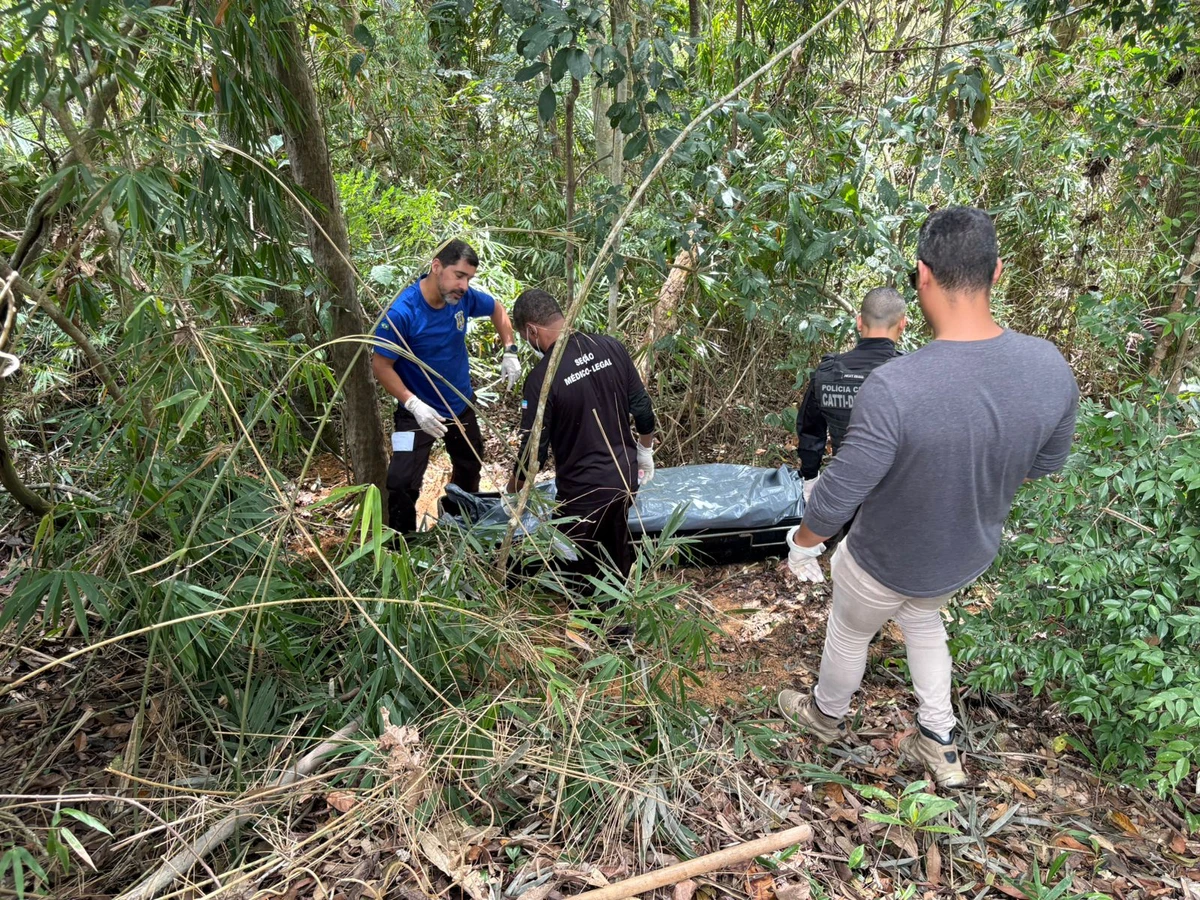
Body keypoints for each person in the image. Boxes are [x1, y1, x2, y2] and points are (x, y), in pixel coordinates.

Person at [778, 207, 1079, 788]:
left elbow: (843, 487)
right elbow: (1042, 466)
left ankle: (825, 716)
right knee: (923, 619)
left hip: (884, 557)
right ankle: (938, 738)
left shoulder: (898, 385)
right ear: (995, 273)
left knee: (850, 629)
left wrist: (803, 542)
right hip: (964, 553)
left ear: (922, 276)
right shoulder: (1049, 368)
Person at [506, 289, 656, 591]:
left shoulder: (540, 379)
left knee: (580, 565)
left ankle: (595, 628)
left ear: (532, 330)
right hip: (624, 476)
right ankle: (619, 622)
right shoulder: (610, 347)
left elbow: (534, 450)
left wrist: (514, 491)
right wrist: (644, 451)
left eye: (525, 337)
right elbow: (642, 408)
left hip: (583, 492)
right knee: (616, 548)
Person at [372, 240, 521, 533]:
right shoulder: (403, 312)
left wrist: (510, 349)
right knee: (401, 483)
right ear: (436, 267)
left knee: (469, 466)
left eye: (469, 278)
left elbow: (497, 310)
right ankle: (404, 547)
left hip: (459, 403)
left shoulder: (461, 298)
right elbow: (381, 366)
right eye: (459, 275)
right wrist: (413, 403)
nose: (464, 285)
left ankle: (461, 530)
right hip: (417, 412)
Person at [795, 287, 906, 552]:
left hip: (844, 485)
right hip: (896, 490)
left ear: (859, 322)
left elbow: (811, 430)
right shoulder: (910, 373)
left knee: (850, 553)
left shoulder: (828, 372)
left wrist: (810, 477)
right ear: (902, 324)